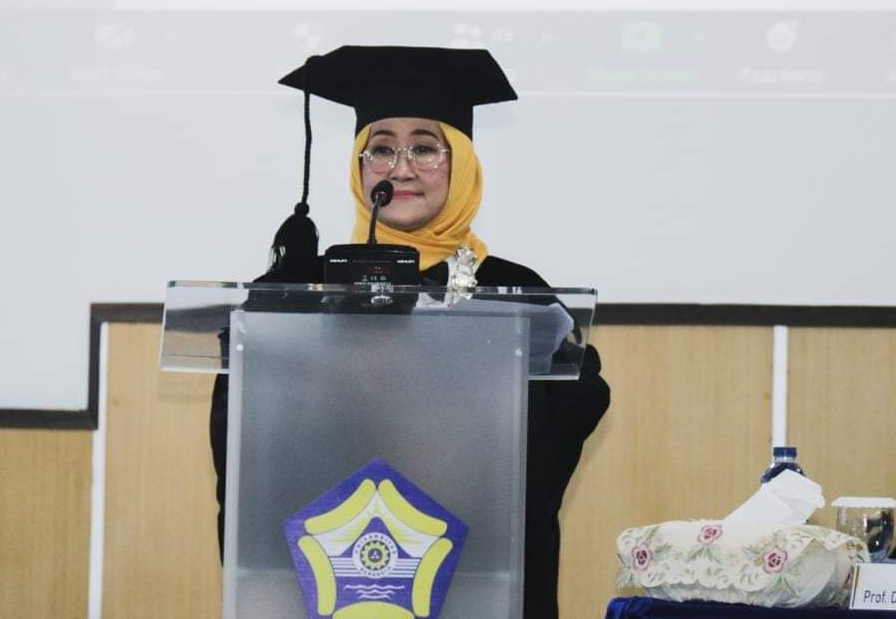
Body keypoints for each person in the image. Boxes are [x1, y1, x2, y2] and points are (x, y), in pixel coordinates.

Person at [211, 45, 610, 619]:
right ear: (359, 166)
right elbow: (249, 444)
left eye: (424, 148)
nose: (400, 169)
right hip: (321, 579)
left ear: (462, 163)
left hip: (471, 576)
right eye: (381, 148)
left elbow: (568, 413)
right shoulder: (294, 293)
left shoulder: (516, 294)